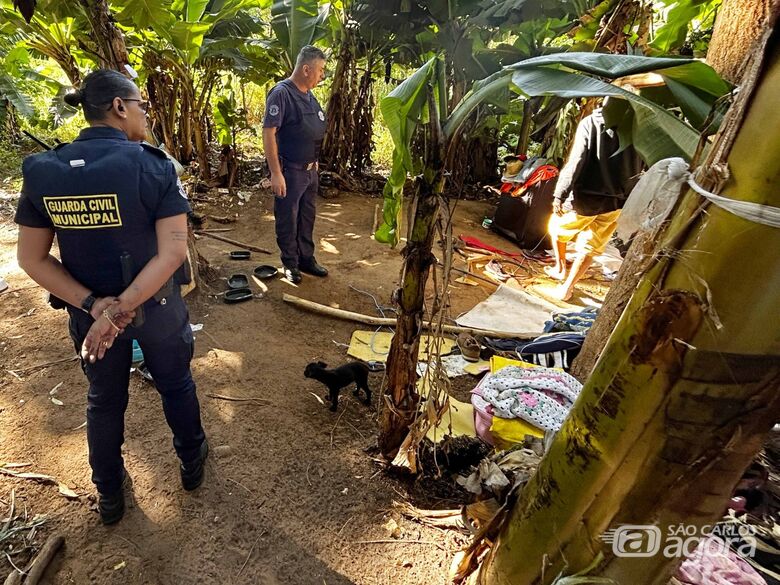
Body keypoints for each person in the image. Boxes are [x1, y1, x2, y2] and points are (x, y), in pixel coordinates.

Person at [14, 69, 208, 525]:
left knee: (104, 399)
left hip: (90, 318)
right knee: (175, 384)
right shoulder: (153, 165)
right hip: (156, 310)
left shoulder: (44, 171)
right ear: (119, 107)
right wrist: (124, 309)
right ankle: (192, 462)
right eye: (139, 103)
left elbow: (32, 259)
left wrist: (95, 307)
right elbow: (173, 250)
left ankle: (109, 493)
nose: (144, 112)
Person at [546, 105, 644, 301]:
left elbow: (576, 161)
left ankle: (559, 268)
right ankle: (568, 287)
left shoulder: (591, 122)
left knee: (556, 228)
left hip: (586, 198)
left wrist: (560, 194)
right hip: (618, 200)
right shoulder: (640, 126)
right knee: (592, 245)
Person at [262, 45, 329, 284]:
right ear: (306, 68)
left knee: (307, 216)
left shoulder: (310, 96)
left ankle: (306, 259)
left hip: (310, 171)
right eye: (320, 70)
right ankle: (290, 263)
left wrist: (315, 162)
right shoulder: (281, 94)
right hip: (290, 171)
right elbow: (269, 133)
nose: (322, 75)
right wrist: (275, 173)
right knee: (288, 218)